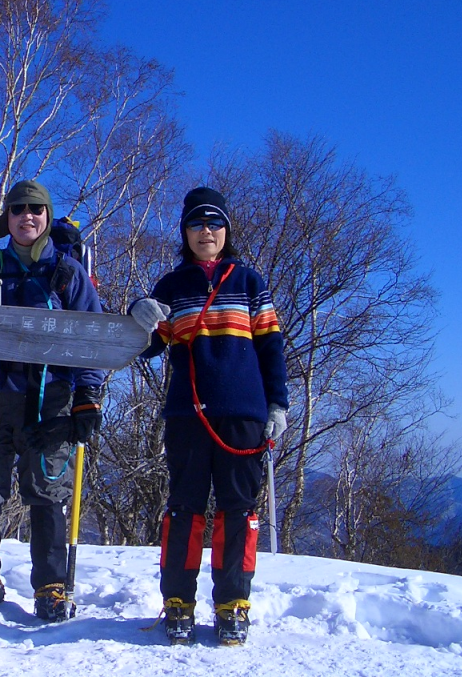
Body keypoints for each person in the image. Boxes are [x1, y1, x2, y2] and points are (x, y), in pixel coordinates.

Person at [129, 186, 288, 645]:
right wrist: (136, 316)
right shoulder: (172, 286)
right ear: (185, 231)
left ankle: (232, 604)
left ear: (227, 230)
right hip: (187, 414)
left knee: (239, 513)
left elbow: (271, 348)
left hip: (243, 414)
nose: (206, 231)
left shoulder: (249, 282)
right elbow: (147, 346)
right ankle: (178, 602)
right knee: (184, 510)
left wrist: (278, 404)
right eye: (197, 224)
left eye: (214, 223)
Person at [0, 179, 104, 622]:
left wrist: (88, 394)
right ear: (7, 218)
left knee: (48, 493)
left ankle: (51, 586)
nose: (27, 216)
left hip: (49, 406)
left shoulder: (67, 272)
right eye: (18, 209)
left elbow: (93, 335)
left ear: (47, 216)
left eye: (36, 208)